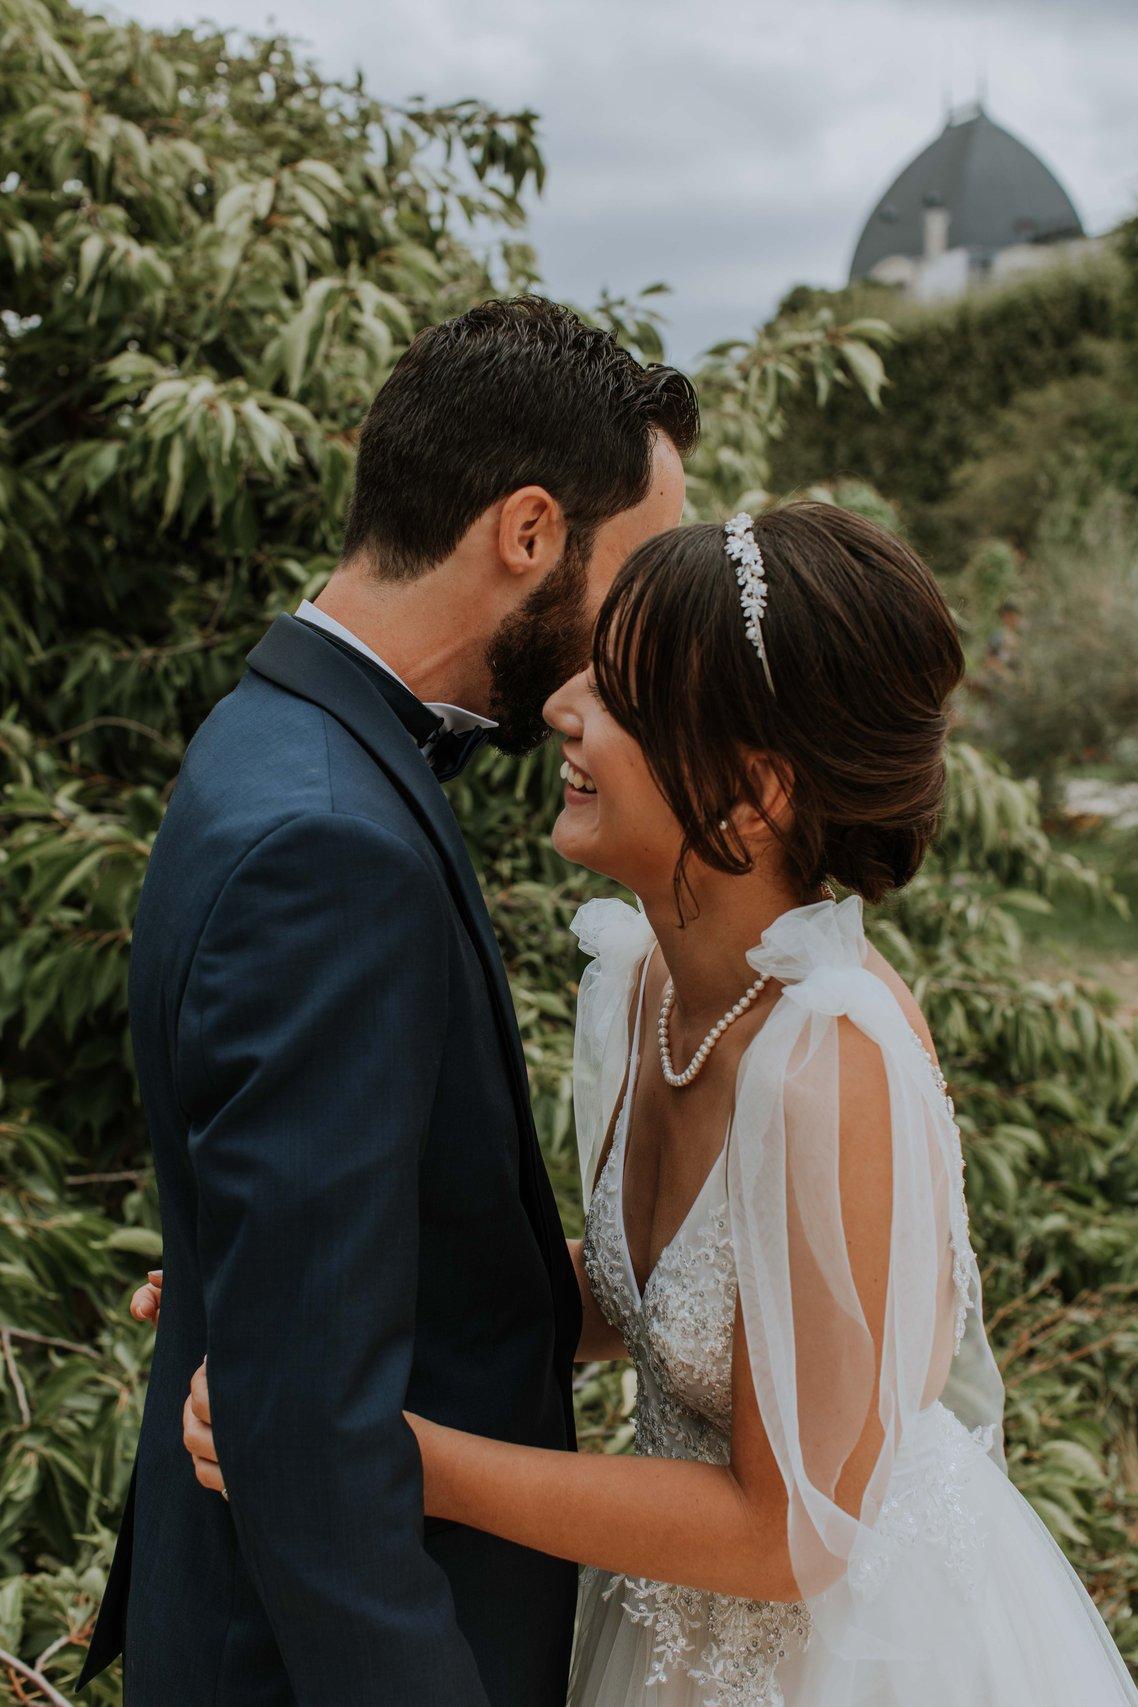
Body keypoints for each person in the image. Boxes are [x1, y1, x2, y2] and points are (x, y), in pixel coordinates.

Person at [162, 501, 1138, 1704]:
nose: (563, 708)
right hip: (665, 1621)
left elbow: (790, 1540)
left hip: (846, 1651)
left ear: (751, 795)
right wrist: (293, 1294)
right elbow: (647, 1297)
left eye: (618, 696)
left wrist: (402, 1460)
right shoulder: (637, 984)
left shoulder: (831, 1060)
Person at [79, 296, 697, 1706]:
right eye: (638, 570)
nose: (642, 626)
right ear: (529, 532)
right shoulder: (330, 843)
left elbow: (326, 1267)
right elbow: (310, 1431)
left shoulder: (277, 737)